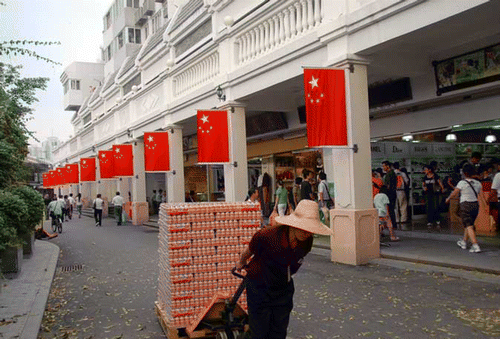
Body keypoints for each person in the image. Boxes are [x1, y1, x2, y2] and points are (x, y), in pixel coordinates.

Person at [235, 200, 333, 339]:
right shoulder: (268, 236)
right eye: (303, 229)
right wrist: (241, 262)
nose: (306, 233)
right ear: (293, 225)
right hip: (260, 286)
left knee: (278, 332)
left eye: (310, 230)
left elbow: (295, 263)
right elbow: (249, 251)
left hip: (282, 288)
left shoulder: (306, 242)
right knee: (260, 333)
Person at [446, 164, 482, 253]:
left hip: (465, 204)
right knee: (468, 224)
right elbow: (479, 193)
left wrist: (448, 198)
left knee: (469, 225)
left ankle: (475, 245)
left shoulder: (462, 183)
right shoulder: (478, 183)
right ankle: (464, 242)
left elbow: (455, 193)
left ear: (464, 173)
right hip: (475, 205)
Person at [422, 164, 445, 231]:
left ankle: (437, 219)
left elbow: (440, 183)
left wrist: (442, 188)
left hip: (435, 193)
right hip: (428, 194)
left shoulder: (436, 176)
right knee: (429, 207)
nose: (425, 171)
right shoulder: (425, 177)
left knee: (436, 206)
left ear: (429, 170)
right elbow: (423, 184)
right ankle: (430, 221)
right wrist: (424, 188)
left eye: (426, 169)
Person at [382, 161, 397, 230]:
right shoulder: (391, 173)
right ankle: (392, 224)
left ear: (387, 166)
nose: (383, 168)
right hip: (392, 193)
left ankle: (392, 224)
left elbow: (388, 185)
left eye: (384, 166)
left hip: (390, 194)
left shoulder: (390, 174)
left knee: (390, 209)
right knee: (390, 209)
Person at [393, 162, 409, 227]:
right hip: (401, 191)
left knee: (395, 206)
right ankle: (403, 219)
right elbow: (407, 181)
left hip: (394, 191)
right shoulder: (402, 173)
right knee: (403, 205)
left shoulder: (392, 173)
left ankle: (396, 219)